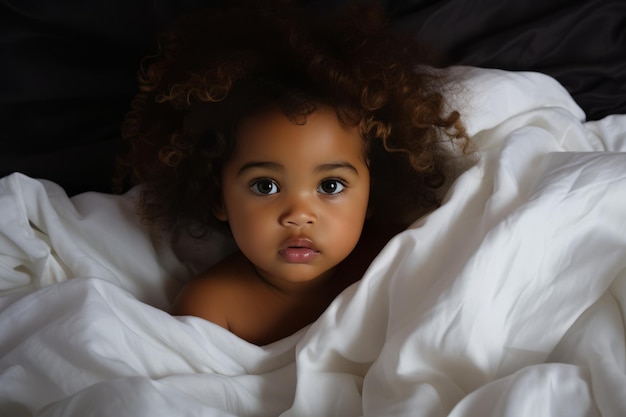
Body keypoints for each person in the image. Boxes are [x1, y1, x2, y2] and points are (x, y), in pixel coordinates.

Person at [114, 0, 470, 345]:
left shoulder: (397, 259)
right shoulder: (209, 308)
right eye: (265, 186)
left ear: (370, 196)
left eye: (330, 185)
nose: (298, 214)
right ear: (218, 198)